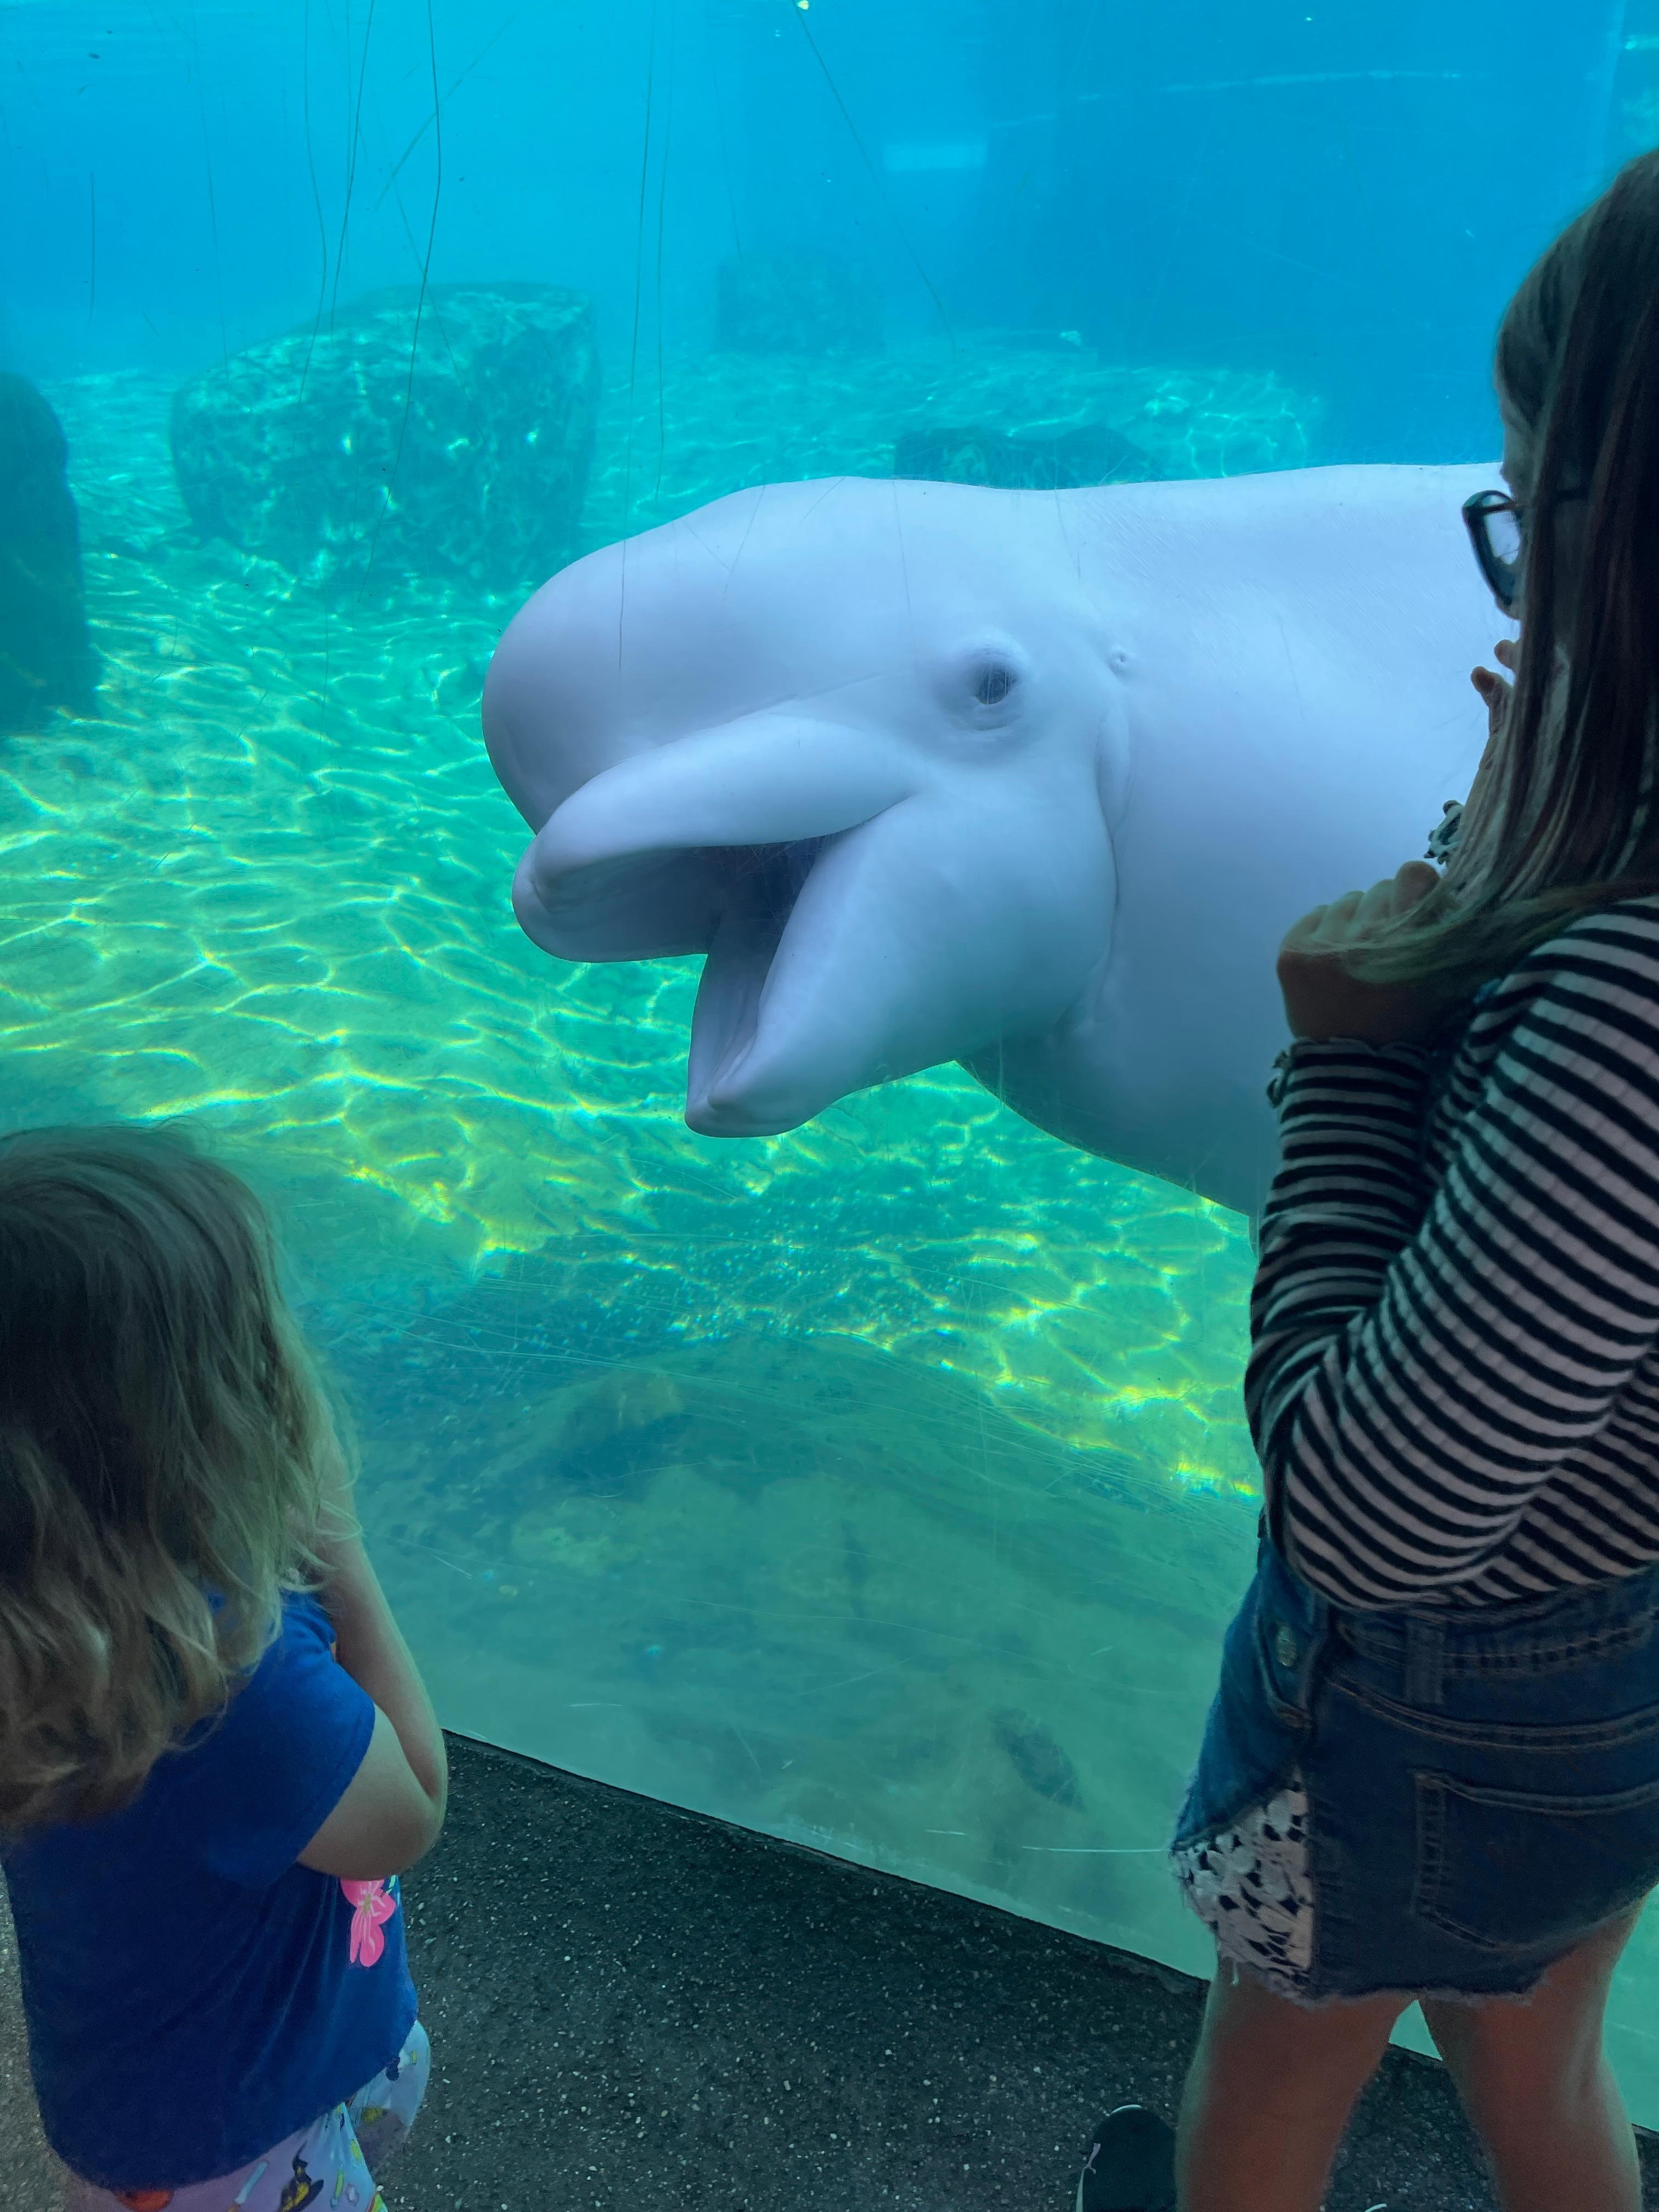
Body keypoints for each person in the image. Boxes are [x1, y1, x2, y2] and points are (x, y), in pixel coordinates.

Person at [1076, 146, 1659, 2212]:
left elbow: (1368, 1507)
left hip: (1434, 1690)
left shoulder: (1621, 1004)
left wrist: (1343, 1054)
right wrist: (1522, 856)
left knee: (1273, 2065)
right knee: (1546, 2059)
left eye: (1533, 515)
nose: (1512, 586)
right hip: (1614, 1650)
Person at [0, 1124, 448, 2212]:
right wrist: (339, 1546)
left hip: (157, 2122)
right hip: (249, 2147)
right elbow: (410, 1811)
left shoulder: (41, 1620)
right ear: (197, 1408)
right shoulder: (227, 1678)